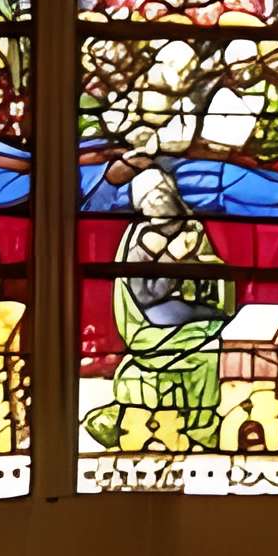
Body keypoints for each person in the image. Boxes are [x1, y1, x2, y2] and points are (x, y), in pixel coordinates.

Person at [83, 167, 231, 455]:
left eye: (162, 195)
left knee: (218, 323)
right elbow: (146, 297)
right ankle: (199, 425)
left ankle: (201, 422)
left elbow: (210, 270)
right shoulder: (141, 238)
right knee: (209, 342)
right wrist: (175, 259)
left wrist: (204, 266)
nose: (157, 202)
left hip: (179, 307)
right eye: (150, 198)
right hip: (147, 322)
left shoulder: (191, 227)